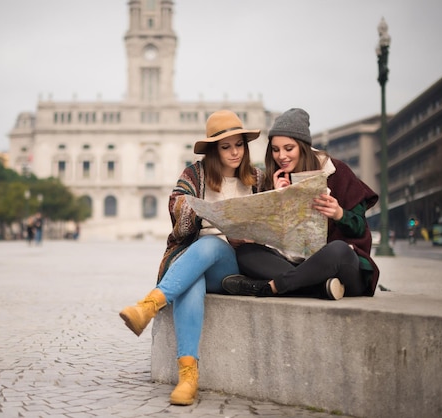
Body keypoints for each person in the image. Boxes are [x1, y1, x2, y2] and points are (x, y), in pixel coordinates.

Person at [119, 110, 264, 405]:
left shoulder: (257, 180)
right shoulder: (194, 175)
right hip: (198, 265)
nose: (234, 152)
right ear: (214, 150)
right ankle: (188, 376)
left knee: (211, 246)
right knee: (193, 279)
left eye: (239, 145)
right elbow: (177, 210)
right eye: (226, 147)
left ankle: (150, 305)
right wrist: (190, 208)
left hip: (237, 266)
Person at [222, 108, 380, 300]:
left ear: (303, 147)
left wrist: (339, 214)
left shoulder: (337, 172)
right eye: (275, 149)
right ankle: (320, 288)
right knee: (247, 253)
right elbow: (269, 238)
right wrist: (278, 199)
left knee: (338, 250)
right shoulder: (273, 178)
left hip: (337, 266)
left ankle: (275, 286)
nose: (281, 156)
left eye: (289, 148)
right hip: (293, 264)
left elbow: (360, 229)